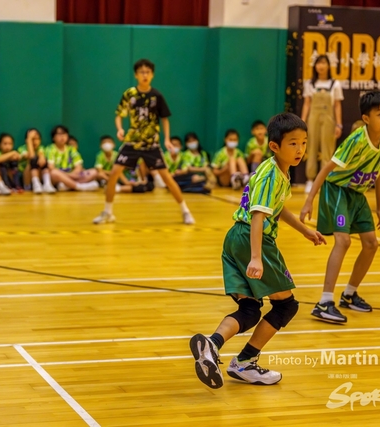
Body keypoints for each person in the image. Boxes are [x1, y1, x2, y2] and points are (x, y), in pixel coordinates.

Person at [189, 113, 325, 388]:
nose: (300, 149)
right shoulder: (271, 174)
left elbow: (277, 208)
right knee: (286, 306)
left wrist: (304, 230)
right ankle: (245, 362)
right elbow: (258, 215)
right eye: (293, 143)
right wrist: (256, 258)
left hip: (235, 238)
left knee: (250, 309)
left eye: (303, 143)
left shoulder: (278, 169)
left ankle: (212, 345)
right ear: (275, 146)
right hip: (253, 240)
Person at [300, 91, 380, 323]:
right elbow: (326, 169)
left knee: (371, 243)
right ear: (366, 118)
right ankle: (324, 302)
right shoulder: (356, 140)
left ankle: (349, 294)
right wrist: (309, 200)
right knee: (343, 241)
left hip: (357, 194)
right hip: (337, 191)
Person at [93, 59, 195, 225]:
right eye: (141, 72)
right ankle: (107, 212)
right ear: (136, 75)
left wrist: (167, 139)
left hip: (151, 144)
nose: (145, 75)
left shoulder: (157, 96)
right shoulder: (129, 94)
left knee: (167, 178)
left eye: (148, 72)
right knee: (114, 174)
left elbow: (165, 119)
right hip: (132, 142)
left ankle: (185, 211)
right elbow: (119, 115)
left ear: (152, 75)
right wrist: (119, 129)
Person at [301, 54, 344, 194]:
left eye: (323, 63)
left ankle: (326, 181)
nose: (321, 66)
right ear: (315, 66)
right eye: (318, 63)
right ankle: (310, 180)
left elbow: (337, 105)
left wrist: (339, 124)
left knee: (328, 150)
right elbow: (307, 104)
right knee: (311, 147)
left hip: (329, 118)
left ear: (328, 66)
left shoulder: (335, 84)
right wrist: (302, 121)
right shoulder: (310, 84)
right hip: (313, 118)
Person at [47, 125, 99, 191]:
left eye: (64, 134)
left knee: (94, 172)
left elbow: (78, 167)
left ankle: (67, 185)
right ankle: (79, 187)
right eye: (59, 134)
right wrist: (68, 175)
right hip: (59, 176)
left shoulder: (71, 149)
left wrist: (73, 174)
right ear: (53, 138)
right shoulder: (50, 149)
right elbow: (51, 168)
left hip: (73, 175)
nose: (62, 137)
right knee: (54, 173)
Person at [18, 128, 55, 194]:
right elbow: (31, 156)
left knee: (43, 160)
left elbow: (42, 156)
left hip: (39, 176)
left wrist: (41, 157)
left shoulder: (41, 148)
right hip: (27, 179)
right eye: (32, 139)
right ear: (26, 140)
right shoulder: (22, 149)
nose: (35, 142)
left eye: (37, 139)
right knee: (33, 159)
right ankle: (36, 184)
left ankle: (47, 184)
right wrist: (29, 140)